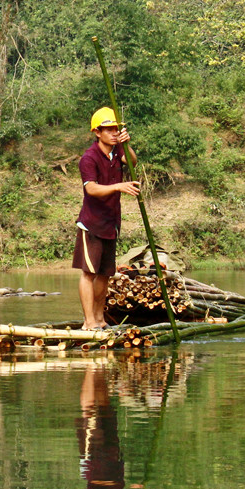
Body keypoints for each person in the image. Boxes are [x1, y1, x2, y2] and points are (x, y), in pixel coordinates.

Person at [73, 107, 141, 330]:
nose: (113, 133)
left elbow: (132, 161)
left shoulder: (117, 150)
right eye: (109, 129)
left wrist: (127, 143)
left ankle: (99, 318)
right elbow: (91, 189)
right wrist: (119, 186)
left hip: (111, 223)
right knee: (89, 273)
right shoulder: (89, 158)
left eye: (116, 129)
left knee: (105, 275)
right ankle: (88, 321)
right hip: (91, 224)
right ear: (97, 132)